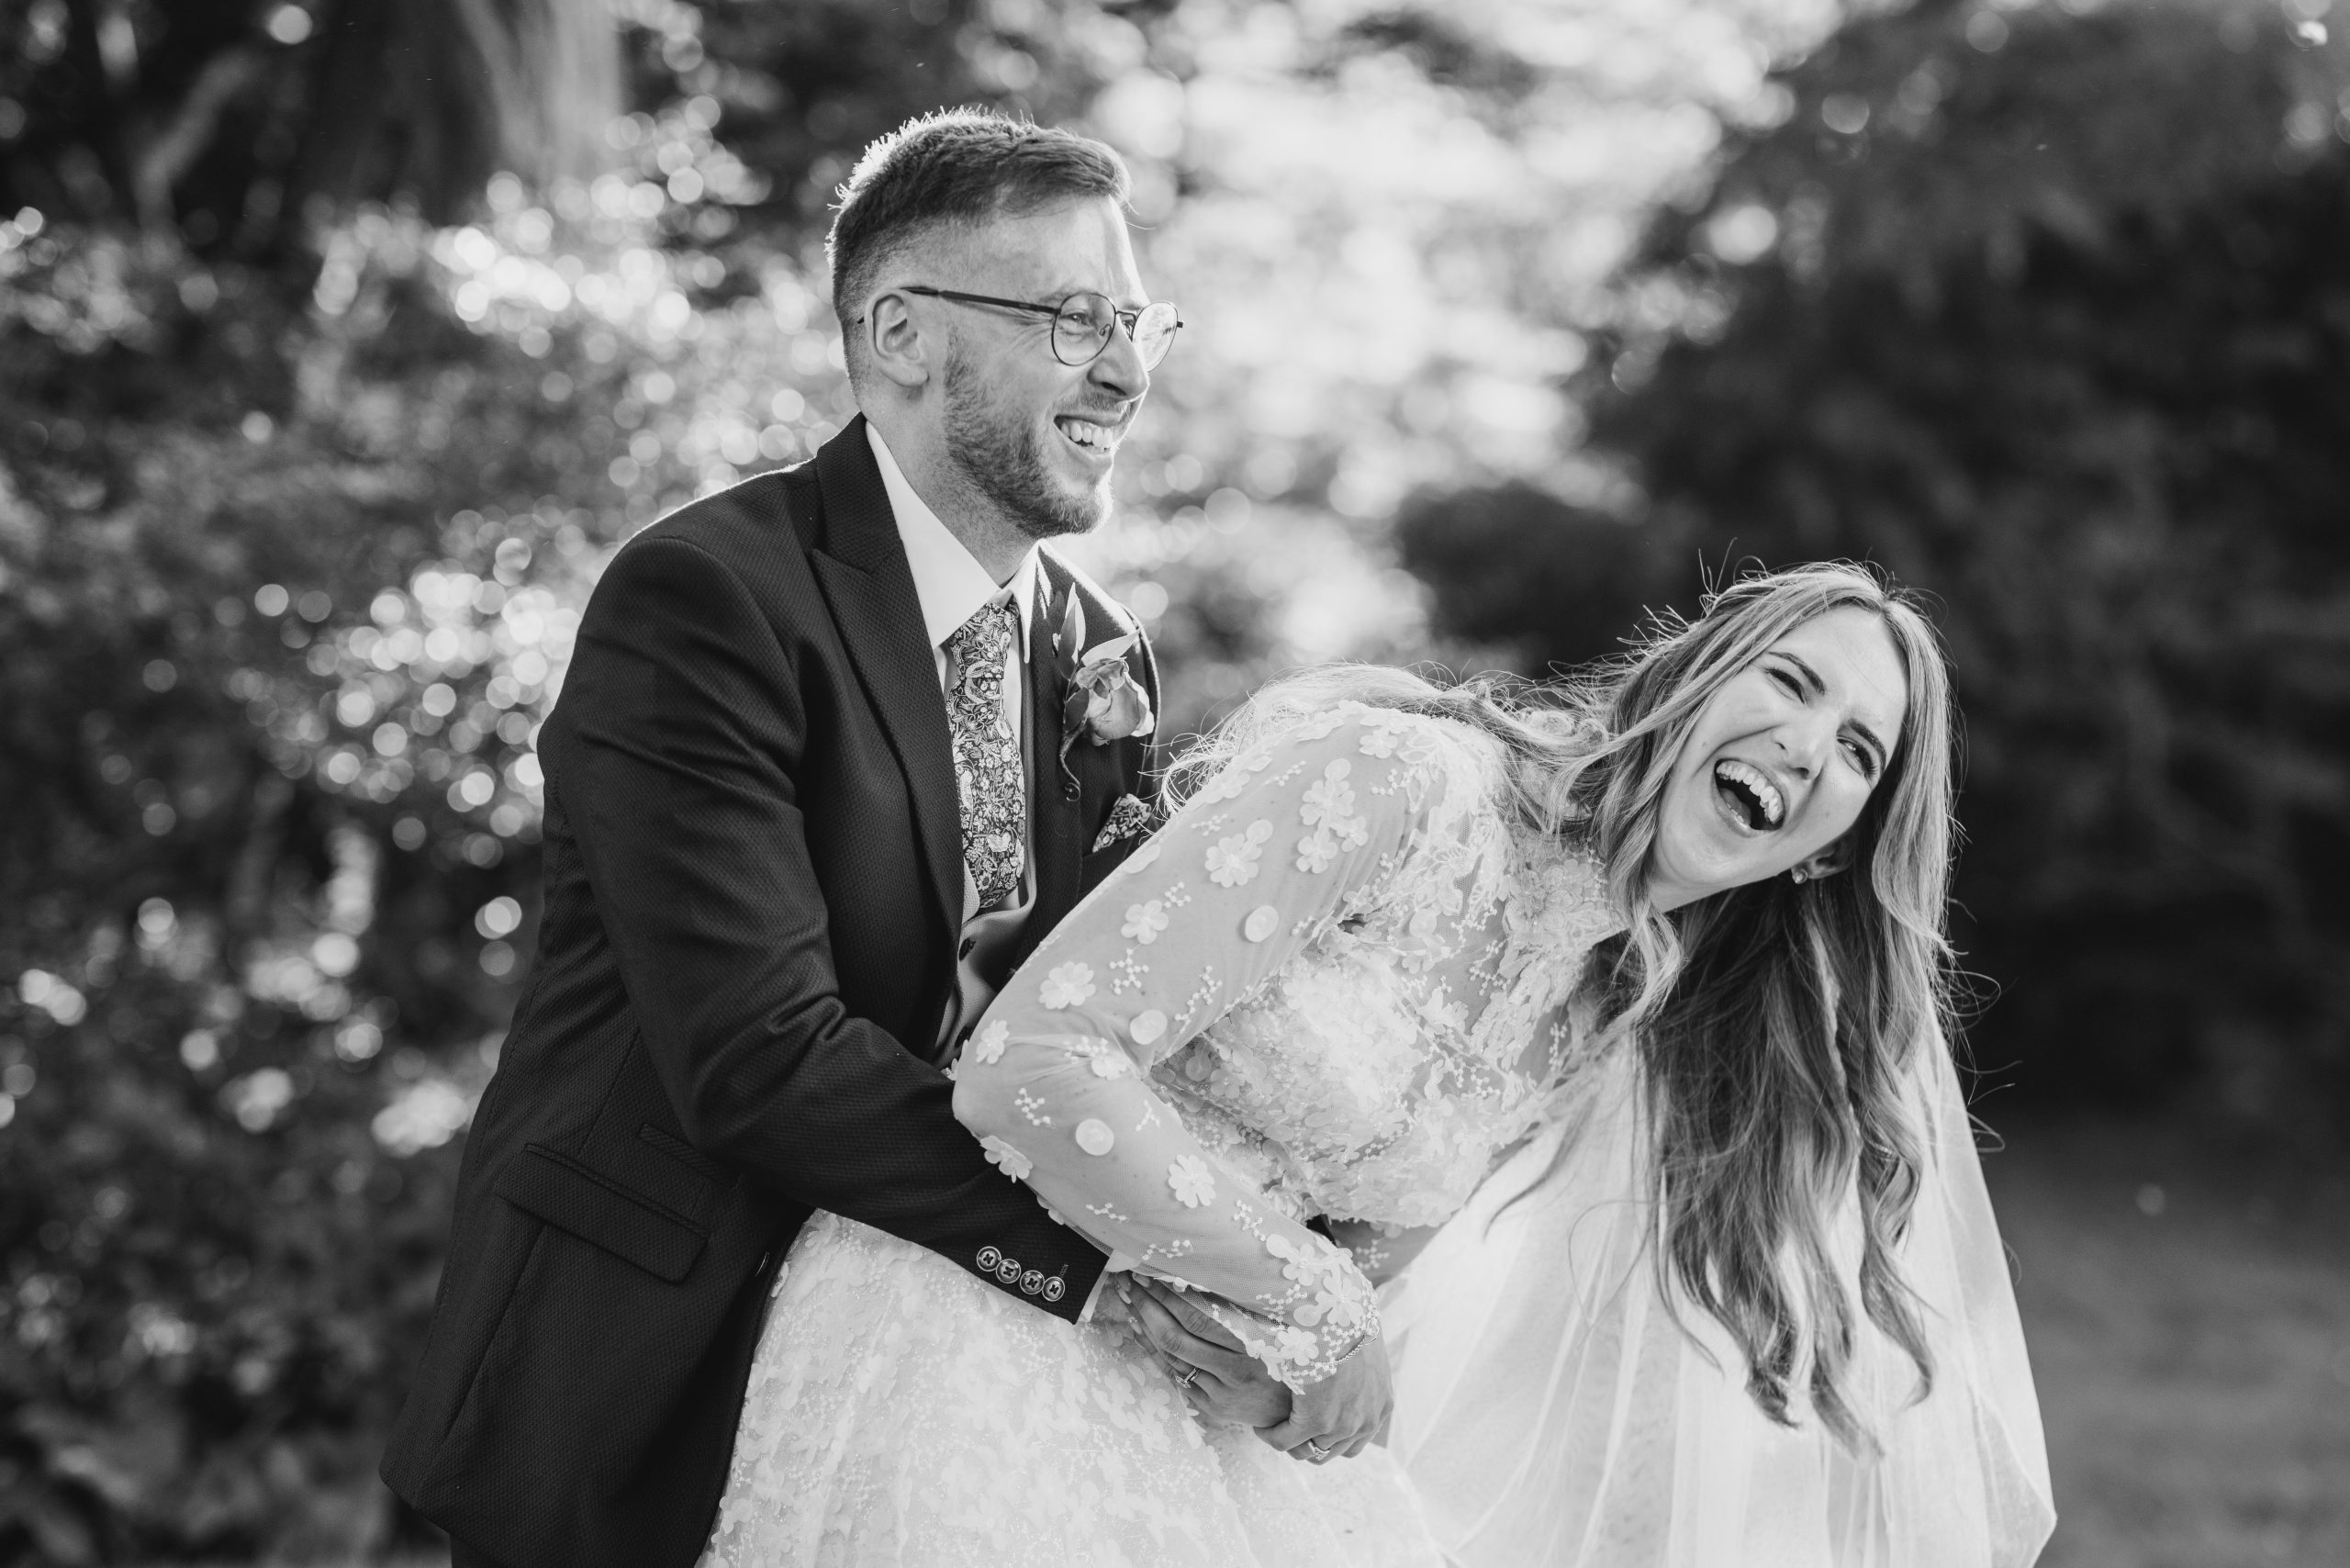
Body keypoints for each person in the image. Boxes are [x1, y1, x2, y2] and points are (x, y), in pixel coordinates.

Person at [695, 562, 2055, 1566]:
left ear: (1825, 847)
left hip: (1194, 1400)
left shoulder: (1597, 999)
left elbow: (1365, 1262)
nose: (1808, 747)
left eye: (1858, 753)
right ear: (1694, 679)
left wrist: (1293, 1374)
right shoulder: (1392, 781)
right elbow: (1034, 1061)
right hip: (979, 1324)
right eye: (1794, 683)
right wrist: (1313, 1300)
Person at [375, 109, 1235, 1568]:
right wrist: (1114, 1261)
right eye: (1077, 318)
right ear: (903, 332)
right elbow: (758, 1054)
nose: (1127, 368)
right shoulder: (707, 601)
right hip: (655, 1360)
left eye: (1138, 318)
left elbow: (1081, 1020)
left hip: (947, 1396)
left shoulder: (1099, 653)